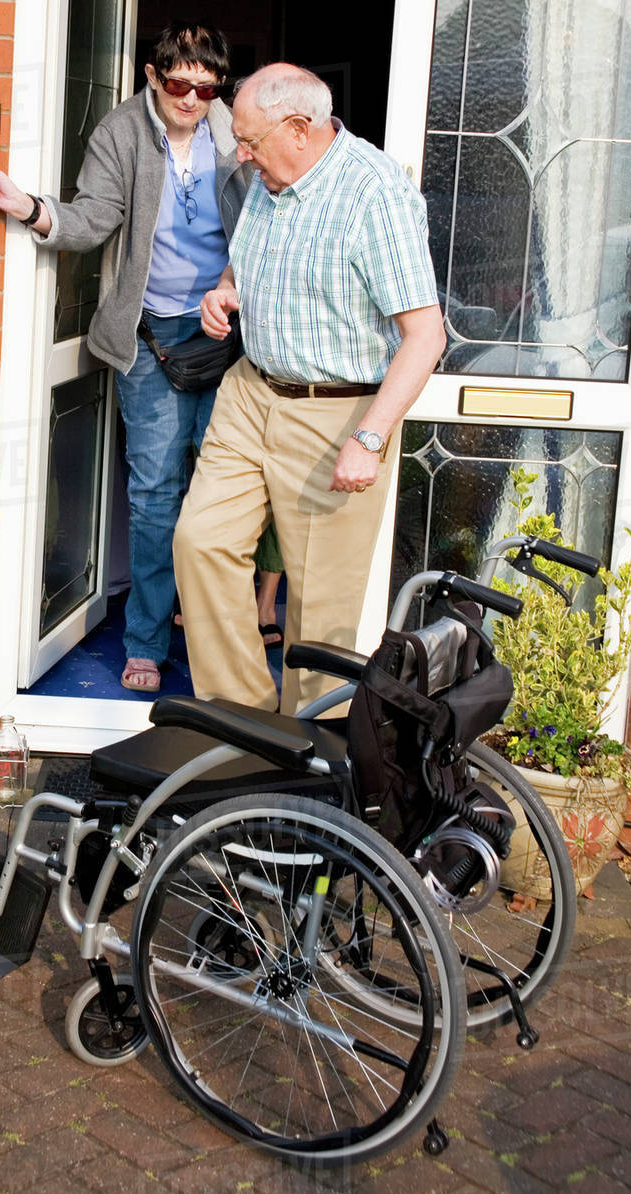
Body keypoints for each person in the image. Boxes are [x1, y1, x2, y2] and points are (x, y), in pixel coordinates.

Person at [0, 22, 282, 689]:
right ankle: (145, 640)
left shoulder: (234, 132)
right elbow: (92, 219)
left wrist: (236, 288)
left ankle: (222, 648)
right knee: (155, 495)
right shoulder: (121, 133)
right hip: (152, 342)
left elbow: (268, 217)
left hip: (229, 336)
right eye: (179, 85)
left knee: (227, 496)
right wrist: (27, 207)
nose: (193, 99)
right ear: (152, 76)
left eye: (207, 88)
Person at [174, 63, 446, 716]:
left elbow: (426, 336)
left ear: (299, 129)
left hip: (337, 412)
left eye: (249, 140)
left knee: (321, 612)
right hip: (250, 394)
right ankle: (242, 720)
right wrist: (224, 292)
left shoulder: (375, 195)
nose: (241, 154)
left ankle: (307, 750)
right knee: (200, 542)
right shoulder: (268, 179)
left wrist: (370, 438)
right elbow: (247, 261)